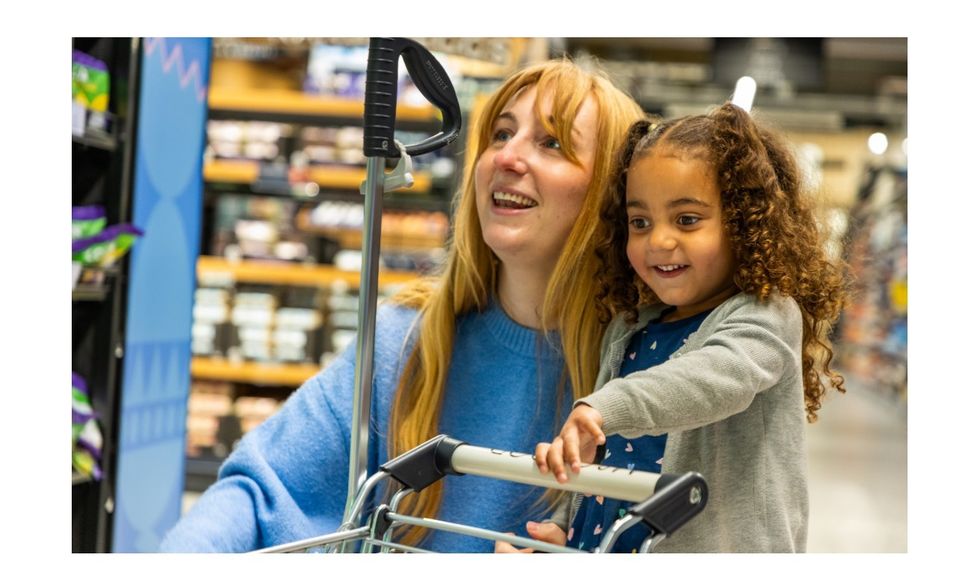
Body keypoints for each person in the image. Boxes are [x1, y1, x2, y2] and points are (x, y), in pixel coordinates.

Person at [158, 59, 644, 552]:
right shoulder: (405, 338)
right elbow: (261, 489)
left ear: (612, 194)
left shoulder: (648, 369)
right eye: (501, 134)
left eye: (552, 143)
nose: (507, 156)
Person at [498, 102, 850, 553]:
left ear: (743, 223)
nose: (659, 241)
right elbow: (602, 456)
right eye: (640, 222)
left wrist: (604, 408)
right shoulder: (630, 330)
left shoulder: (766, 315)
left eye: (687, 219)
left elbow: (712, 380)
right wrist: (566, 529)